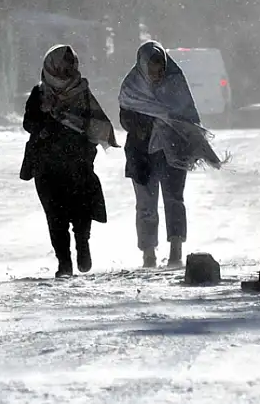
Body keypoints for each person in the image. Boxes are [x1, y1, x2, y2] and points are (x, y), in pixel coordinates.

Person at [119, 40, 222, 269]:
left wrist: (174, 127)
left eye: (160, 68)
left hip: (173, 151)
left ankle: (176, 251)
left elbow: (187, 117)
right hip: (141, 153)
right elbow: (125, 117)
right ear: (143, 66)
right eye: (152, 68)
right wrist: (144, 124)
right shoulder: (132, 86)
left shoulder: (175, 83)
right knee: (145, 204)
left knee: (174, 200)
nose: (157, 73)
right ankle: (148, 253)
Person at [21, 45, 119, 278]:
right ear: (51, 66)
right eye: (61, 66)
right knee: (55, 218)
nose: (66, 70)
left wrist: (84, 140)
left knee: (81, 213)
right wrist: (44, 126)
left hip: (77, 164)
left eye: (70, 65)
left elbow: (96, 123)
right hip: (46, 167)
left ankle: (82, 245)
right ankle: (64, 262)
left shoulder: (82, 92)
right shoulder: (40, 93)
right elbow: (28, 123)